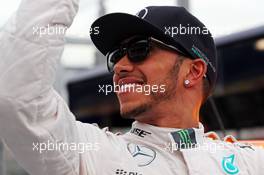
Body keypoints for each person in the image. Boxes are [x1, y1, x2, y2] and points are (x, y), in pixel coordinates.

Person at [0, 0, 263, 174]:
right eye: (116, 56)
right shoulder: (93, 156)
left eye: (139, 49)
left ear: (194, 71)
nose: (119, 66)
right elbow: (18, 97)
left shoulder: (247, 161)